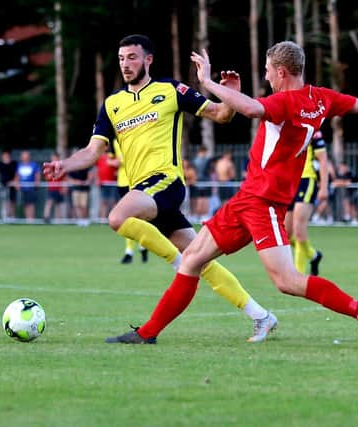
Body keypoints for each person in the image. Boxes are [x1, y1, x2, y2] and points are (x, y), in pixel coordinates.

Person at [105, 41, 358, 349]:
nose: (267, 76)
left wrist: (206, 83)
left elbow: (251, 108)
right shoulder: (321, 98)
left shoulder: (286, 101)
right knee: (191, 259)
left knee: (287, 281)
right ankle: (147, 332)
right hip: (246, 200)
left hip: (265, 204)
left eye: (268, 71)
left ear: (282, 72)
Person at [43, 34, 273, 342]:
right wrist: (65, 166)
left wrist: (231, 94)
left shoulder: (170, 90)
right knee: (200, 260)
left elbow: (220, 114)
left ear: (148, 59)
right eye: (122, 58)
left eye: (133, 57)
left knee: (117, 218)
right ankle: (262, 316)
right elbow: (92, 151)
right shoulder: (112, 105)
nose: (126, 64)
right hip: (145, 191)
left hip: (166, 181)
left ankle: (178, 264)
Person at [284, 130, 328, 276]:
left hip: (306, 180)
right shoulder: (284, 129)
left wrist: (324, 187)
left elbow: (323, 160)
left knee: (299, 231)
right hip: (289, 183)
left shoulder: (313, 131)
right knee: (286, 234)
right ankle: (314, 256)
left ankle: (297, 276)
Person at [110, 139, 148, 264]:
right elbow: (111, 159)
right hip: (122, 183)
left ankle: (140, 246)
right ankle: (131, 250)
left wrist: (119, 161)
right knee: (126, 219)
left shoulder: (135, 136)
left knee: (138, 218)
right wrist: (113, 161)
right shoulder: (115, 141)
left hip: (136, 181)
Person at [0, 149, 18, 221]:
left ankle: (12, 218)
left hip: (12, 185)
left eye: (7, 155)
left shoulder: (14, 163)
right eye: (4, 155)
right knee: (3, 201)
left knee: (12, 201)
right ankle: (4, 217)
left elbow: (17, 174)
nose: (6, 156)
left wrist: (15, 182)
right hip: (2, 185)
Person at [15, 150, 40, 221]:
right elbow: (17, 176)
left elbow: (37, 174)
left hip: (31, 188)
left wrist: (36, 182)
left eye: (26, 155)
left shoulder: (33, 165)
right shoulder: (19, 165)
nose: (25, 157)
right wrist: (17, 184)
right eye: (23, 156)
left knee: (31, 204)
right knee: (25, 204)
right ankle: (27, 219)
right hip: (23, 189)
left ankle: (31, 219)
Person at [43, 152, 67, 223]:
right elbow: (47, 177)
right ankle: (46, 217)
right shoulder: (49, 167)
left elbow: (64, 178)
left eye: (55, 158)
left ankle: (58, 220)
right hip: (51, 189)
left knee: (58, 204)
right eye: (53, 158)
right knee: (49, 202)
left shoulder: (61, 167)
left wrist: (64, 188)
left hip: (59, 188)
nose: (53, 159)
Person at [96, 148, 119, 219]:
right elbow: (98, 170)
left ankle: (114, 218)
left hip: (113, 183)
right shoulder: (100, 158)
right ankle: (103, 219)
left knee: (114, 202)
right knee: (103, 202)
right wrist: (97, 179)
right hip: (103, 184)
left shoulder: (113, 156)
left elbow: (118, 166)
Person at [191, 145, 211, 219]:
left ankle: (199, 216)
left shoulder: (194, 160)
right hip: (202, 181)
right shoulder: (205, 160)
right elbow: (207, 171)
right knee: (201, 199)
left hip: (198, 181)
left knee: (200, 199)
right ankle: (200, 216)